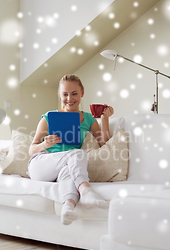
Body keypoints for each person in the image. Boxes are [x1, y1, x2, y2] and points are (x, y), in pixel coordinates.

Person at [27, 74, 114, 225]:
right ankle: (86, 190)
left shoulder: (88, 119)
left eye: (74, 94)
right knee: (78, 153)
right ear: (59, 95)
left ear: (82, 93)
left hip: (67, 165)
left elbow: (103, 143)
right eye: (65, 94)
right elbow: (32, 149)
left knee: (69, 170)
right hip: (41, 164)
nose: (69, 99)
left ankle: (67, 207)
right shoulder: (49, 117)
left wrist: (104, 119)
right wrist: (44, 145)